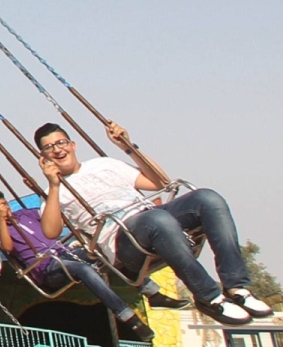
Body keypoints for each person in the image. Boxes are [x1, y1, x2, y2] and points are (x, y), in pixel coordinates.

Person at [36, 122, 270, 326]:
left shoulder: (105, 164)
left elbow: (160, 182)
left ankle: (237, 287)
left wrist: (128, 147)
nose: (58, 149)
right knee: (156, 219)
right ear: (43, 157)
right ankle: (208, 297)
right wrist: (55, 185)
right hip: (124, 242)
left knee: (208, 198)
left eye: (61, 142)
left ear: (73, 145)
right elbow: (50, 231)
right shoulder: (53, 192)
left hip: (152, 218)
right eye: (49, 147)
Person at [0, 188, 174, 341]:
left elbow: (51, 216)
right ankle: (126, 315)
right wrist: (0, 218)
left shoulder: (26, 215)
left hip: (66, 253)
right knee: (82, 268)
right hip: (48, 268)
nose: (4, 207)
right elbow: (7, 247)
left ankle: (150, 291)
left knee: (104, 249)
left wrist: (47, 193)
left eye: (5, 203)